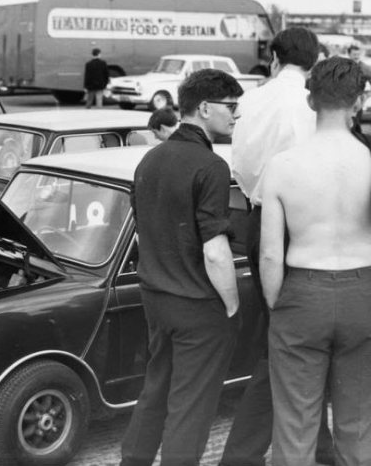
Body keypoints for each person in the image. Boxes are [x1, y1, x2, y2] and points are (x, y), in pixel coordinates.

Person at [224, 26, 335, 466]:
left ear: (274, 57)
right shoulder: (313, 104)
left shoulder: (251, 100)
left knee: (287, 339)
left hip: (256, 218)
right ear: (315, 60)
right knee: (289, 345)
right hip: (302, 225)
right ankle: (243, 454)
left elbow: (241, 164)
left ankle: (319, 446)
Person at [120, 69, 242, 466]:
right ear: (205, 108)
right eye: (230, 107)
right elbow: (215, 251)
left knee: (155, 391)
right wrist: (231, 305)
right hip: (197, 304)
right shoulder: (212, 166)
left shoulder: (149, 159)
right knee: (191, 407)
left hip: (156, 297)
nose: (235, 115)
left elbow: (143, 232)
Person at [260, 56, 371, 466]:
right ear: (358, 103)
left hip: (303, 292)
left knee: (295, 422)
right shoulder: (368, 161)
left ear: (311, 102)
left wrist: (280, 305)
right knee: (359, 422)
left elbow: (270, 252)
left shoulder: (282, 166)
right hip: (364, 291)